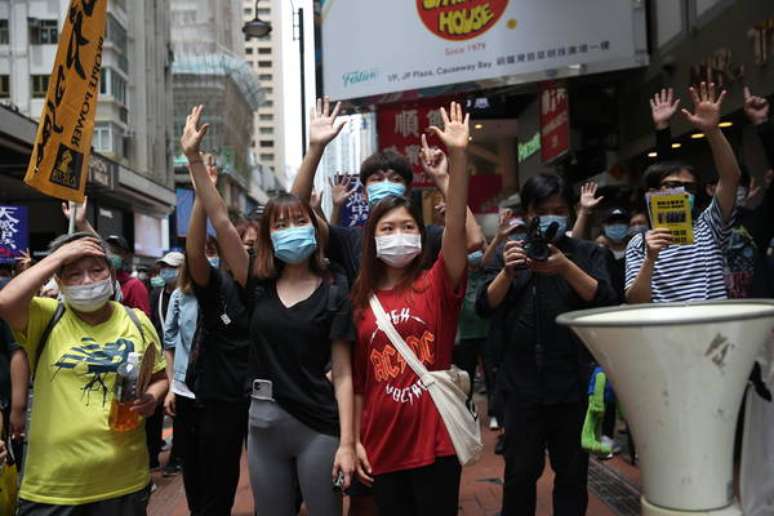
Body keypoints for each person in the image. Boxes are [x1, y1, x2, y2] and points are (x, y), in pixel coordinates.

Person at [182, 104, 356, 516]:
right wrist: (193, 161)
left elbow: (344, 374)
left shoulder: (336, 289)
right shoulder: (256, 286)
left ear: (314, 230)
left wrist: (348, 443)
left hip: (320, 426)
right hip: (262, 427)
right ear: (266, 236)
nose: (291, 229)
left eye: (299, 222)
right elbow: (222, 224)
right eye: (279, 224)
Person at [349, 102, 470, 516]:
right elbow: (361, 382)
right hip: (382, 444)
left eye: (407, 227)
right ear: (373, 240)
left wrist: (456, 160)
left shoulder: (437, 282)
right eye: (387, 229)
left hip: (435, 442)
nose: (398, 235)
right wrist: (355, 439)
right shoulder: (361, 303)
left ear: (422, 236)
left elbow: (456, 227)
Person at [476, 171, 617, 516]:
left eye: (557, 209)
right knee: (520, 475)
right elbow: (483, 306)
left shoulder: (584, 253)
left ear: (569, 212)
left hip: (572, 385)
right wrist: (507, 274)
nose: (549, 217)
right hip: (521, 388)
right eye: (541, 211)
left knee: (572, 477)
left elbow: (605, 301)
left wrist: (565, 268)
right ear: (527, 214)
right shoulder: (510, 255)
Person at [0, 232, 167, 514]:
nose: (88, 281)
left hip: (123, 483)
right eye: (74, 274)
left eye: (97, 270)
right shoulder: (45, 316)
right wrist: (59, 256)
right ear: (60, 282)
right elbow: (5, 302)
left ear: (112, 273)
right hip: (53, 488)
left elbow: (159, 378)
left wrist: (151, 397)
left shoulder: (135, 321)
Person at [291, 98, 484, 286]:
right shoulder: (348, 240)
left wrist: (442, 178)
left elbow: (472, 240)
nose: (385, 184)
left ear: (407, 192)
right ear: (365, 193)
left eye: (395, 179)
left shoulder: (426, 236)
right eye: (376, 179)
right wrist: (315, 148)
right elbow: (296, 212)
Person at [172, 152, 251, 516]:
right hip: (193, 398)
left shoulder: (260, 289)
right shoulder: (213, 286)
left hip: (233, 404)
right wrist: (202, 187)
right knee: (195, 487)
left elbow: (224, 228)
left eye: (248, 244)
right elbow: (195, 253)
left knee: (219, 493)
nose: (241, 248)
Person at [626, 83, 741, 304]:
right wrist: (650, 259)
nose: (681, 192)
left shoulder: (709, 227)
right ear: (652, 193)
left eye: (688, 188)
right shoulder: (639, 243)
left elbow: (730, 177)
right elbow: (635, 302)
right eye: (672, 186)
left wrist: (712, 131)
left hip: (712, 333)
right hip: (665, 335)